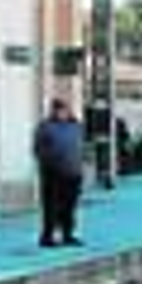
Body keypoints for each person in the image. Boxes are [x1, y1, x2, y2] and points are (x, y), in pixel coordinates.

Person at [33, 97, 84, 247]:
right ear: (54, 111)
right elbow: (38, 149)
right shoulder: (45, 127)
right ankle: (47, 236)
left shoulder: (76, 125)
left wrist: (79, 165)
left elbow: (79, 145)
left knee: (70, 206)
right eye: (59, 110)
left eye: (65, 109)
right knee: (51, 206)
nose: (63, 112)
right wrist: (49, 162)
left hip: (73, 172)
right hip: (53, 173)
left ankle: (68, 234)